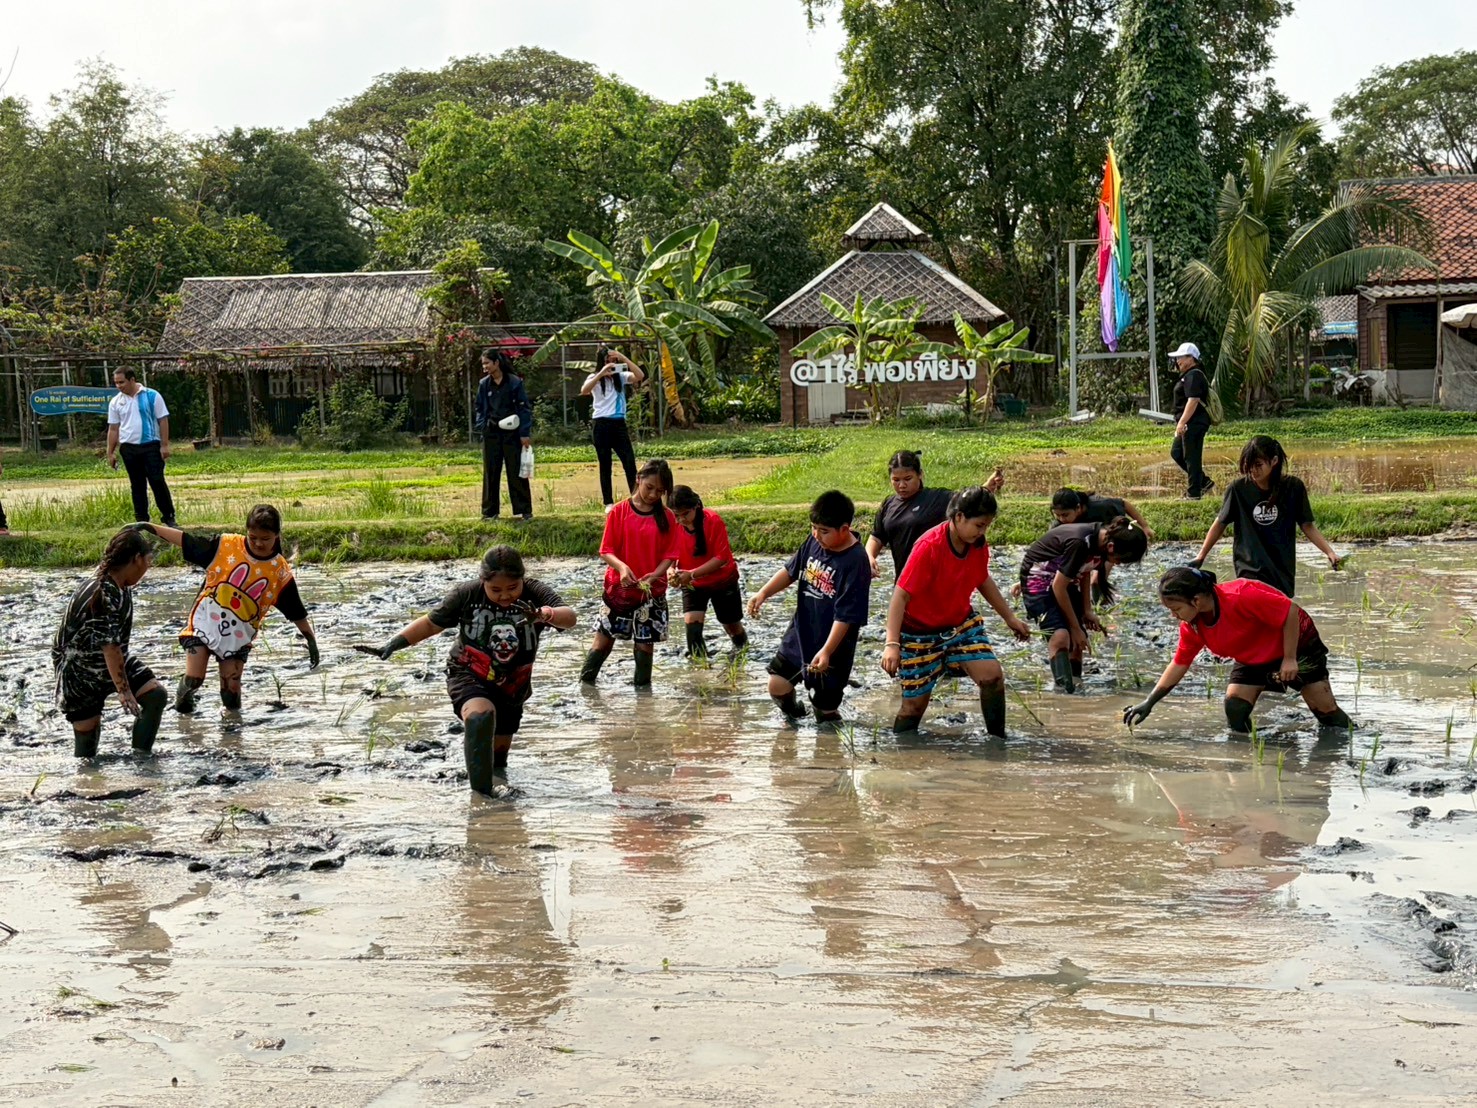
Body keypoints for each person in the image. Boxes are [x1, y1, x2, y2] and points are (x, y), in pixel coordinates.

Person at [361, 545, 577, 797]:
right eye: (496, 590)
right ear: (483, 581)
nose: (505, 596)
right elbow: (432, 623)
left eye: (512, 588)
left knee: (497, 759)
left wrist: (543, 614)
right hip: (468, 673)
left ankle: (497, 817)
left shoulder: (534, 592)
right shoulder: (467, 594)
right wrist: (393, 644)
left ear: (522, 580)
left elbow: (570, 617)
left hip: (514, 685)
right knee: (480, 717)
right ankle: (481, 802)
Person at [133, 506, 319, 714]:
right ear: (246, 532)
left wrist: (310, 639)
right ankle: (183, 705)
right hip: (204, 624)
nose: (258, 543)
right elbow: (187, 540)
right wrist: (149, 527)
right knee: (195, 678)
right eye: (253, 537)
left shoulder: (279, 571)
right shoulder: (225, 546)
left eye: (265, 539)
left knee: (230, 692)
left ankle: (233, 731)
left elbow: (295, 609)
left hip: (238, 636)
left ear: (277, 535)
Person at [1123, 566, 1352, 735]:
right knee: (1235, 707)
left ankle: (1356, 739)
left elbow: (1290, 611)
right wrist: (1149, 702)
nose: (1174, 616)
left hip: (1296, 644)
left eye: (1175, 609)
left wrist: (1290, 658)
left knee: (1327, 714)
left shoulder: (1240, 595)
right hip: (1253, 654)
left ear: (1196, 600)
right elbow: (1179, 663)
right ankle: (1250, 756)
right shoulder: (1193, 626)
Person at [879, 486, 1032, 737]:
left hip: (960, 625)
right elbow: (900, 595)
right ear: (959, 517)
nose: (983, 532)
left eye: (986, 526)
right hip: (919, 632)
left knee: (992, 676)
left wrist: (1010, 618)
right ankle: (899, 757)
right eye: (979, 525)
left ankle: (997, 741)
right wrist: (892, 643)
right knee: (914, 707)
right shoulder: (929, 546)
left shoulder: (977, 544)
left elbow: (982, 579)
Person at [748, 490, 870, 723]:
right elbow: (791, 570)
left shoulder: (855, 561)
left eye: (824, 531)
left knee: (824, 710)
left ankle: (830, 746)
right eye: (813, 528)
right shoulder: (813, 542)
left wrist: (826, 650)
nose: (816, 535)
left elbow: (846, 614)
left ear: (844, 529)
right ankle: (795, 714)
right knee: (777, 685)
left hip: (833, 645)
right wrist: (763, 592)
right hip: (801, 631)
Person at [52, 527, 168, 759]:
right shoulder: (103, 591)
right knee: (87, 750)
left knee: (155, 695)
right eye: (148, 561)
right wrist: (124, 692)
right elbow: (110, 647)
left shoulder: (118, 580)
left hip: (110, 662)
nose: (148, 568)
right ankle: (86, 787)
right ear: (136, 559)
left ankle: (141, 760)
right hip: (79, 672)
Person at [1190, 435, 1339, 598]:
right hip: (1249, 570)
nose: (1253, 470)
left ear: (1274, 461)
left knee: (1277, 618)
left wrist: (1330, 552)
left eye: (1258, 465)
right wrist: (1201, 556)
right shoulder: (1238, 489)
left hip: (1281, 570)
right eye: (1249, 465)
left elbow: (1307, 525)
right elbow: (1220, 523)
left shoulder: (1293, 488)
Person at [1018, 517, 1149, 692]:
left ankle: (1076, 687)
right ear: (1111, 547)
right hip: (1038, 581)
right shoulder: (1081, 542)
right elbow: (1058, 586)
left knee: (1077, 643)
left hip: (1065, 581)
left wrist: (1087, 610)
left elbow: (1085, 571)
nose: (1117, 563)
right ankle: (1064, 690)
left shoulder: (1099, 542)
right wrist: (1075, 627)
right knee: (1061, 636)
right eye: (1119, 560)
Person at [581, 459, 679, 687]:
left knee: (645, 646)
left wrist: (655, 574)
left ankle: (643, 700)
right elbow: (606, 550)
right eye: (650, 487)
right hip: (619, 590)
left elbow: (670, 554)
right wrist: (622, 567)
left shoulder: (667, 517)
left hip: (651, 592)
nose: (654, 494)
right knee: (602, 642)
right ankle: (584, 686)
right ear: (638, 479)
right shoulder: (619, 512)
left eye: (660, 491)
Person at [865, 449, 1006, 579]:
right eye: (896, 480)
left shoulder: (936, 498)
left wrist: (987, 487)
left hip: (934, 583)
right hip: (903, 582)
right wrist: (869, 556)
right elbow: (877, 537)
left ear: (920, 474)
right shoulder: (889, 504)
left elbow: (967, 500)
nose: (902, 485)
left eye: (908, 479)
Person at [667, 485, 748, 659]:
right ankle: (700, 671)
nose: (682, 520)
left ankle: (742, 653)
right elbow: (669, 554)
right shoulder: (673, 526)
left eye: (685, 514)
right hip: (693, 584)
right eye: (677, 515)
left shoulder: (712, 521)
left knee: (731, 625)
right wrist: (671, 570)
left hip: (722, 580)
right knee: (692, 625)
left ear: (695, 506)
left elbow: (721, 558)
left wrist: (692, 573)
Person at [106, 367, 177, 527]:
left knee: (157, 480)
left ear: (132, 380)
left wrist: (164, 445)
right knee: (137, 484)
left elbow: (163, 420)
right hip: (128, 448)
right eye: (116, 383)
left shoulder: (152, 395)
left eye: (121, 382)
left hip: (151, 445)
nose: (119, 386)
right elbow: (113, 428)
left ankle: (168, 516)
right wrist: (110, 452)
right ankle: (142, 520)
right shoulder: (116, 402)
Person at [581, 346, 646, 510]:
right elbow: (584, 390)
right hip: (601, 424)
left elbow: (640, 375)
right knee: (605, 463)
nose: (611, 365)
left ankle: (635, 497)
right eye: (607, 361)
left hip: (619, 424)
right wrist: (601, 373)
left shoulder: (621, 377)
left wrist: (623, 358)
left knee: (629, 462)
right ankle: (608, 502)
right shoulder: (594, 377)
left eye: (613, 361)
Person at [475, 348, 534, 521]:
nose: (485, 366)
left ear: (496, 363)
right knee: (491, 471)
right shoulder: (484, 384)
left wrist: (524, 433)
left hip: (512, 434)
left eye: (487, 363)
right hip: (492, 433)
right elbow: (479, 408)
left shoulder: (515, 382)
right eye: (483, 364)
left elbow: (524, 409)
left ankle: (525, 510)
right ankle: (490, 512)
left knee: (516, 471)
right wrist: (483, 426)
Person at [1167, 342, 1214, 499]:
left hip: (1193, 422)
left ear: (1191, 358)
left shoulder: (1194, 375)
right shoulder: (1189, 375)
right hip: (1188, 422)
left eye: (1181, 357)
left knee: (1191, 457)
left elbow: (1193, 400)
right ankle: (1204, 482)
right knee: (1177, 453)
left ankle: (1193, 494)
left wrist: (1182, 422)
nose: (1178, 361)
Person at [1050, 487, 1155, 539]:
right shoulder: (1060, 522)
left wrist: (1145, 526)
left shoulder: (1101, 506)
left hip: (1103, 524)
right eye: (1057, 515)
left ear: (1078, 508)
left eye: (1065, 515)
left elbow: (1124, 504)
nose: (1061, 519)